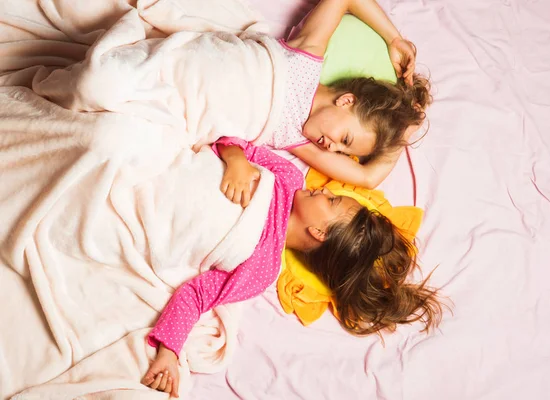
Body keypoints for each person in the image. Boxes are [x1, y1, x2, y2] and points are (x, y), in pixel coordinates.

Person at [141, 137, 442, 397]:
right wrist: (235, 160)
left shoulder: (263, 268)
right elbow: (232, 140)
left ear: (320, 233)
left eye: (332, 200)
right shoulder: (287, 177)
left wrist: (169, 352)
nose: (323, 190)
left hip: (159, 218)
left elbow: (198, 295)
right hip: (170, 168)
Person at [198, 0, 434, 207]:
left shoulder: (297, 139)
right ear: (346, 101)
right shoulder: (305, 60)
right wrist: (394, 39)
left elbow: (367, 178)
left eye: (343, 151)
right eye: (345, 140)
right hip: (204, 66)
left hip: (198, 113)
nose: (333, 149)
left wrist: (405, 132)